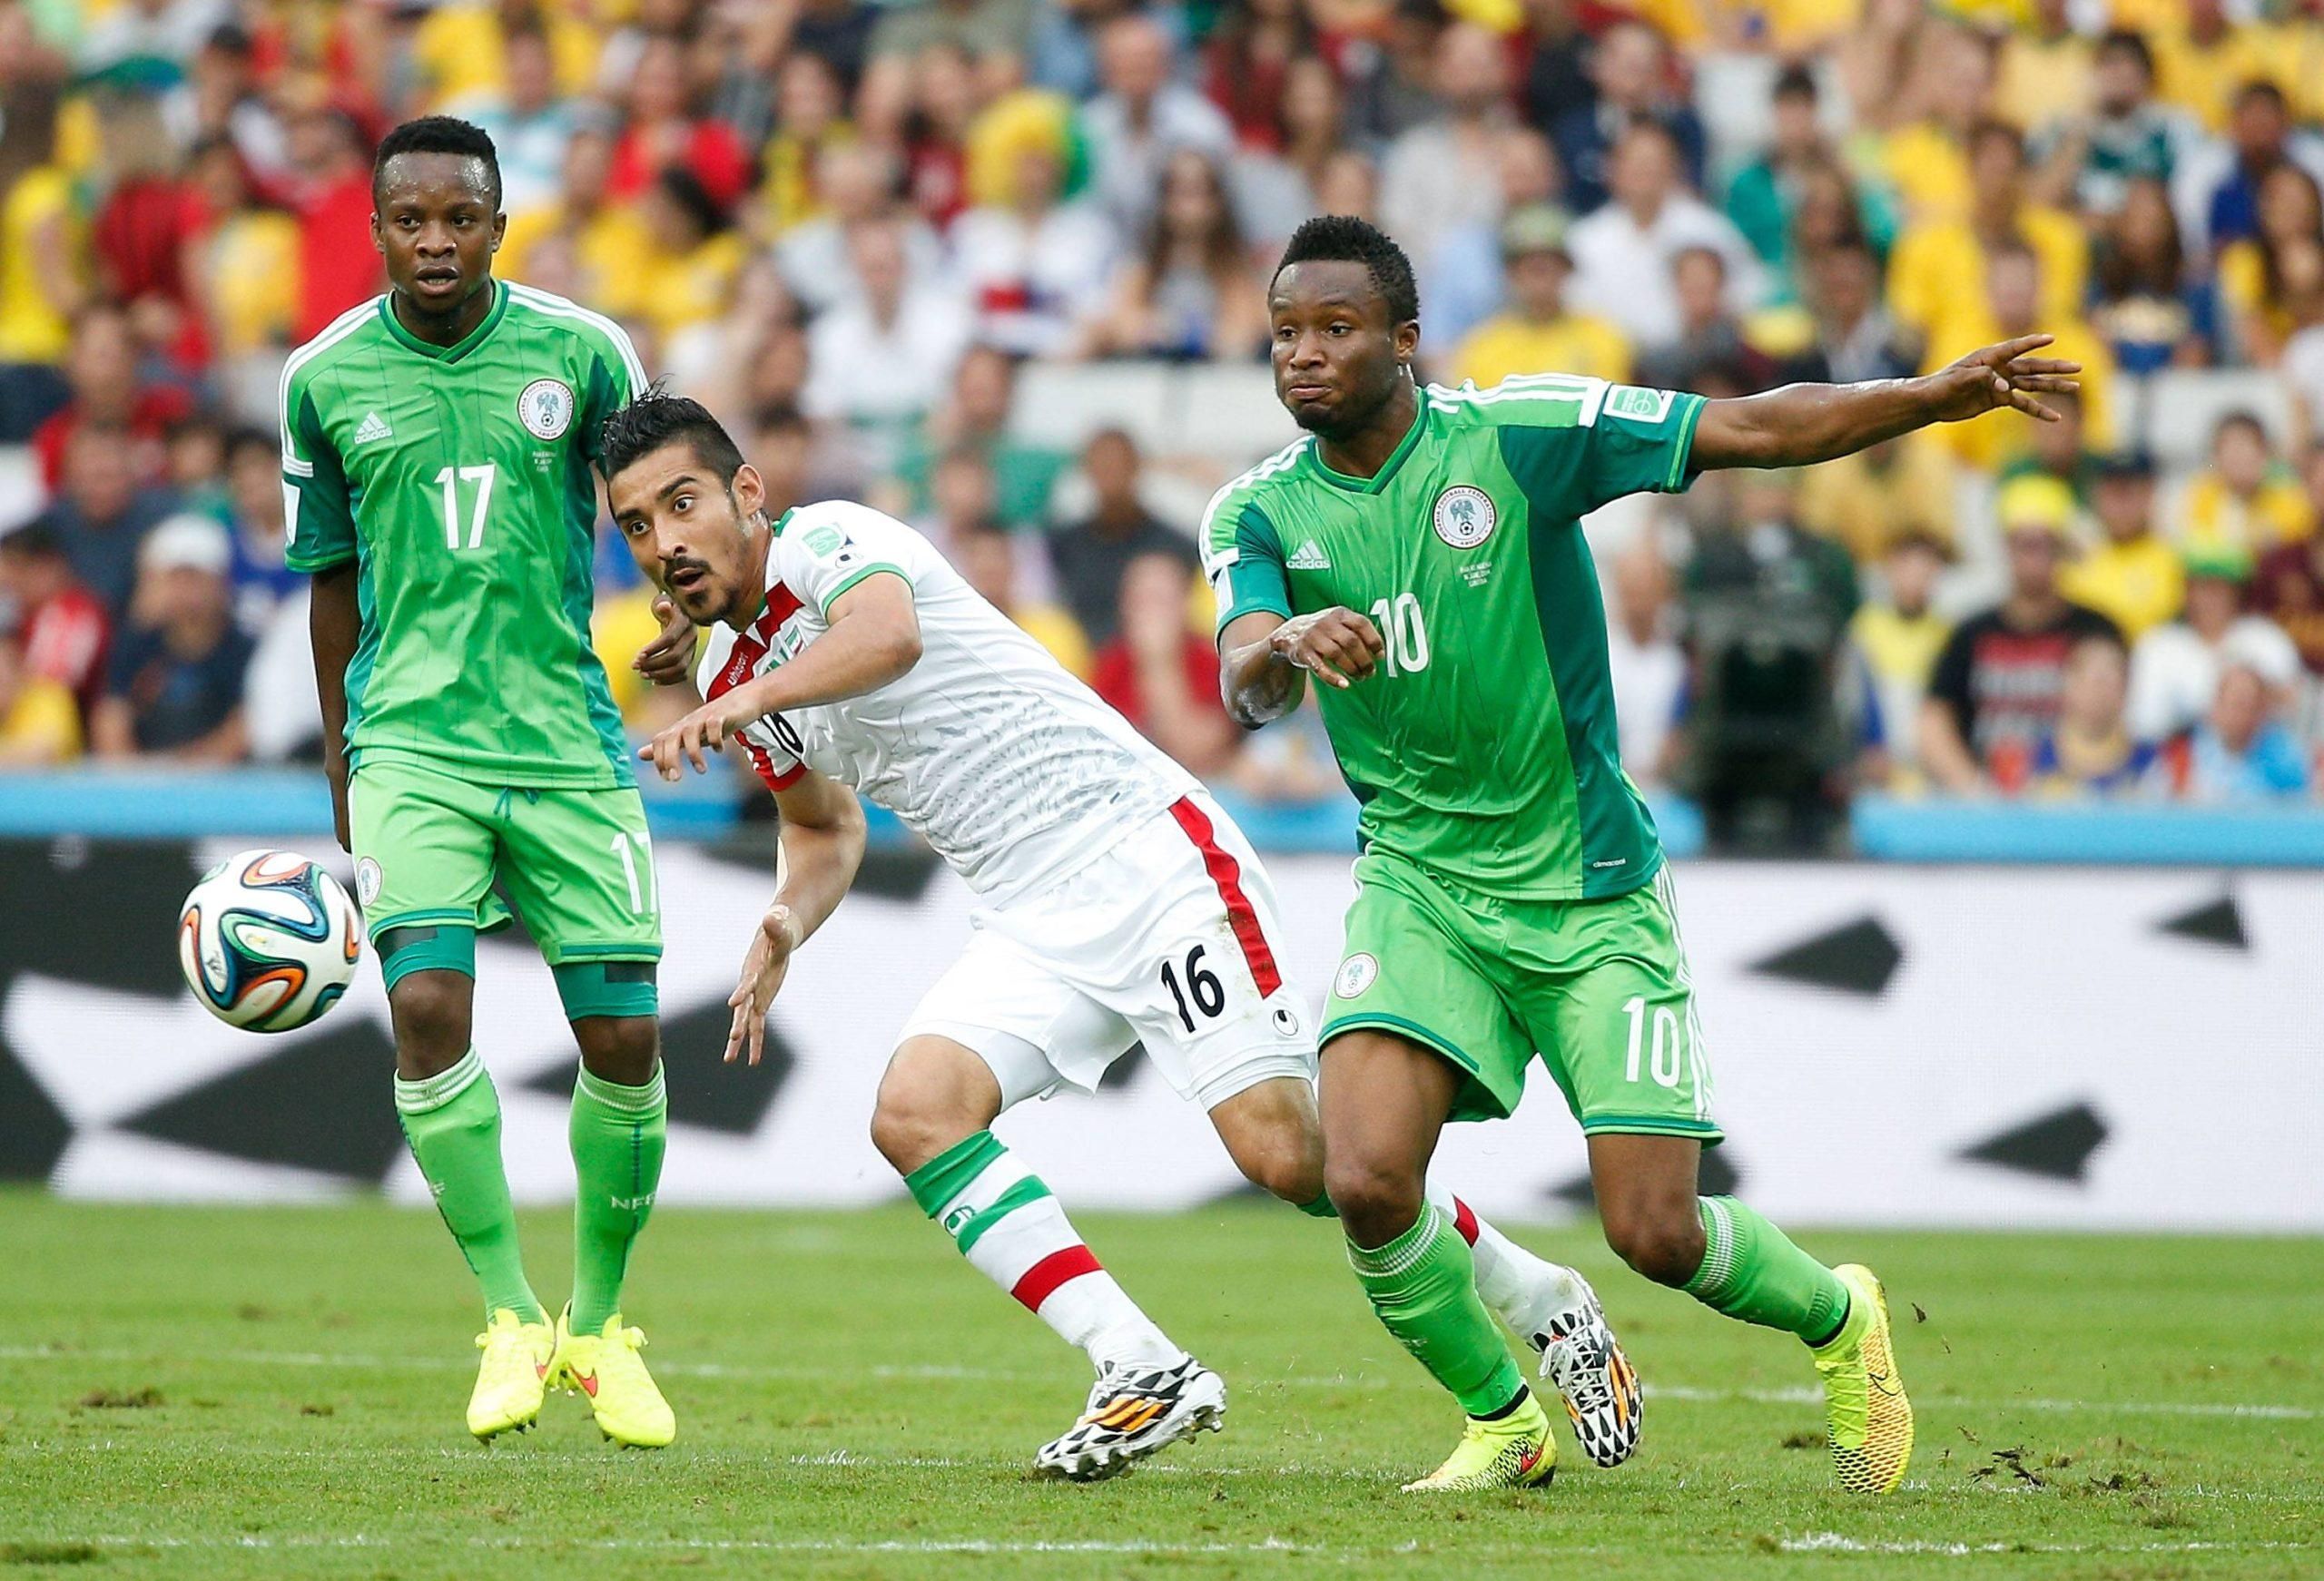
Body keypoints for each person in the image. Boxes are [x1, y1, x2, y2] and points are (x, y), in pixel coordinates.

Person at [600, 390, 1637, 1484]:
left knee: (1296, 1161)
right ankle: (1140, 1362)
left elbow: (888, 635)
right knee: (915, 1112)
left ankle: (1545, 1299)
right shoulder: (726, 678)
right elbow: (821, 828)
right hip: (1027, 915)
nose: (665, 540)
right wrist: (783, 919)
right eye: (635, 524)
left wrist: (747, 690)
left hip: (1151, 861)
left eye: (682, 503)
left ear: (745, 494)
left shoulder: (831, 541)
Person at [1210, 214, 2077, 1493]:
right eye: (1287, 332)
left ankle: (1842, 1320)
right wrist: (1284, 645)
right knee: (1367, 1176)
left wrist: (1923, 402)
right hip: (1419, 887)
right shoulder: (1259, 507)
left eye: (1337, 329)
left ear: (1403, 341)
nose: (1305, 355)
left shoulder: (1517, 436)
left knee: (1655, 1231)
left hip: (1587, 886)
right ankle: (1504, 1420)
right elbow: (1240, 672)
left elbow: (1750, 429)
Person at [281, 116, 693, 1450]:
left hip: (568, 740)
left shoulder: (582, 349)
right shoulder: (324, 376)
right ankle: (512, 1315)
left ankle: (599, 1327)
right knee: (427, 1003)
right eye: (412, 221)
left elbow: (658, 499)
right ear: (380, 229)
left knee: (624, 1037)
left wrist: (689, 609)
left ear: (499, 222)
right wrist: (345, 760)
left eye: (461, 218)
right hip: (412, 739)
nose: (437, 242)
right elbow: (331, 583)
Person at [1921, 476, 2122, 796]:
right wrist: (1974, 788)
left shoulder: (2095, 629)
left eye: (2044, 543)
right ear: (2005, 546)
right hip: (1989, 793)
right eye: (2023, 544)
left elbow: (2120, 715)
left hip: (2076, 795)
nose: (2034, 556)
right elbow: (1935, 719)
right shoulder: (1970, 633)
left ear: (2061, 548)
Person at [90, 515, 253, 763]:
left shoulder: (242, 649)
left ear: (220, 582)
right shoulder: (135, 645)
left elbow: (244, 727)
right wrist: (133, 773)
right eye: (177, 579)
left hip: (220, 781)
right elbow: (111, 717)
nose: (186, 591)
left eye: (196, 578)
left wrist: (191, 768)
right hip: (144, 777)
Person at [2128, 545, 2301, 743]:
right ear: (2186, 591)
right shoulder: (2157, 645)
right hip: (2177, 760)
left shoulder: (2267, 640)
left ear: (2237, 593)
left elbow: (2292, 712)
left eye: (2219, 588)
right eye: (2200, 587)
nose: (2209, 599)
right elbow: (2145, 725)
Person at [1448, 205, 1630, 392]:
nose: (1539, 277)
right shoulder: (1482, 347)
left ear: (1566, 270)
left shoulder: (1603, 336)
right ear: (1511, 274)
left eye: (1548, 266)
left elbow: (1608, 410)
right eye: (1530, 267)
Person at [1047, 427, 1196, 646]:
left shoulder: (1175, 546)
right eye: (1102, 467)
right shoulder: (1063, 545)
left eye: (1117, 466)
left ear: (1136, 468)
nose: (1110, 476)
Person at [1848, 525, 1954, 788]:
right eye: (1907, 566)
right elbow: (1854, 698)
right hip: (1876, 767)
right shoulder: (1865, 629)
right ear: (1890, 568)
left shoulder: (1947, 636)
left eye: (1926, 568)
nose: (1916, 577)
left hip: (1931, 770)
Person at [2026, 633, 2154, 799]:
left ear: (2127, 686)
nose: (2097, 690)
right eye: (2086, 677)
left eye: (2108, 679)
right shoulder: (2028, 764)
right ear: (2065, 684)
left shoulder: (2155, 767)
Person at [2162, 663, 2312, 801]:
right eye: (2234, 704)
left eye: (2250, 705)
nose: (2241, 714)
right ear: (2215, 706)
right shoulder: (2185, 753)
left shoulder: (2286, 760)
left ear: (2263, 711)